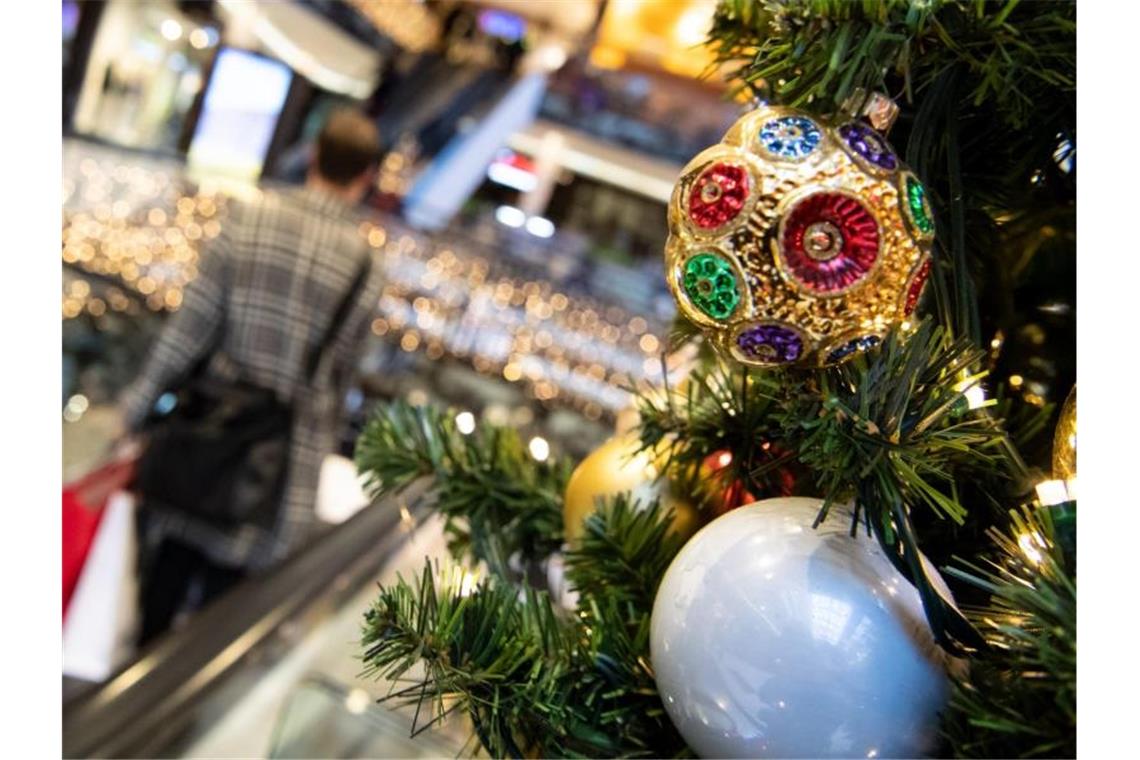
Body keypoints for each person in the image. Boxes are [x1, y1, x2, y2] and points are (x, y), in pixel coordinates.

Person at [118, 109, 384, 645]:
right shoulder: (363, 264)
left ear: (312, 155)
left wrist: (136, 407)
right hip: (278, 469)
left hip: (204, 441)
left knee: (162, 585)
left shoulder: (248, 220)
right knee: (221, 618)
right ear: (365, 178)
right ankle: (179, 719)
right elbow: (342, 379)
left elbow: (189, 331)